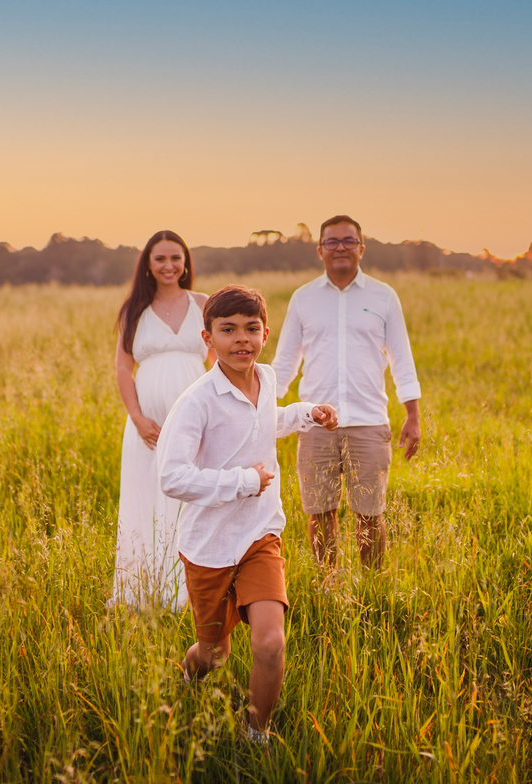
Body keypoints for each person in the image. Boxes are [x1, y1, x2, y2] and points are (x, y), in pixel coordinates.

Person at [157, 285, 338, 743]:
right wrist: (241, 481)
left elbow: (263, 421)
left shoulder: (268, 378)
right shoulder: (196, 401)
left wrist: (305, 414)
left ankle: (256, 735)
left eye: (251, 329)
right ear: (208, 338)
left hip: (260, 534)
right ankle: (185, 678)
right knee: (214, 654)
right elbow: (172, 476)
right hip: (210, 545)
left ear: (266, 332)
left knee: (270, 643)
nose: (242, 339)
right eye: (228, 330)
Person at [271, 215, 422, 571]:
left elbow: (402, 358)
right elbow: (284, 363)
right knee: (319, 513)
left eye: (348, 241)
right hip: (315, 425)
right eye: (333, 242)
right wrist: (261, 409)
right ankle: (329, 585)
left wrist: (413, 416)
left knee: (370, 515)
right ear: (320, 249)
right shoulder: (303, 299)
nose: (341, 248)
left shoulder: (384, 297)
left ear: (362, 248)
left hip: (369, 423)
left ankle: (372, 587)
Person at [108, 230, 212, 611]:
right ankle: (141, 591)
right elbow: (123, 368)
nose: (169, 266)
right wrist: (137, 418)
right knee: (146, 499)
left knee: (190, 501)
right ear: (148, 266)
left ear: (186, 262)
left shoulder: (203, 303)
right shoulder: (134, 309)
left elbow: (217, 365)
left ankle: (190, 593)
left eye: (176, 258)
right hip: (147, 428)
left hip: (195, 422)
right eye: (160, 259)